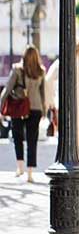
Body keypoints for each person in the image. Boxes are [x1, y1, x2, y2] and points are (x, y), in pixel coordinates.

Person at [1, 45, 46, 183]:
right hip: (36, 109)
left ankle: (20, 167)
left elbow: (7, 89)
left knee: (18, 137)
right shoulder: (41, 71)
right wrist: (44, 111)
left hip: (19, 107)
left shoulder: (17, 70)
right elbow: (42, 93)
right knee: (32, 140)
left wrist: (1, 106)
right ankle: (30, 173)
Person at [46, 40, 79, 154]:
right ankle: (78, 159)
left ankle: (65, 157)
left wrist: (52, 97)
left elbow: (48, 79)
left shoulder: (61, 62)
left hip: (64, 99)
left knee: (64, 133)